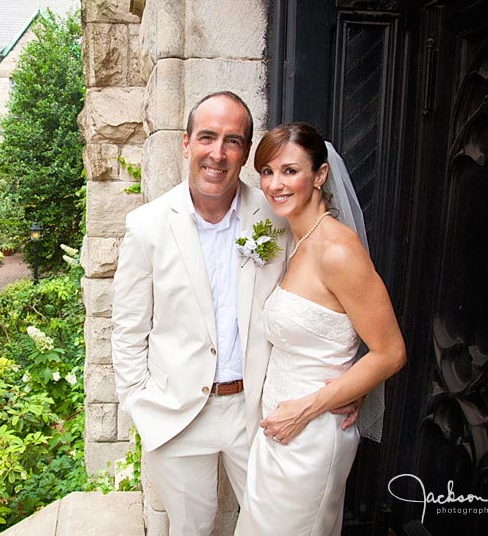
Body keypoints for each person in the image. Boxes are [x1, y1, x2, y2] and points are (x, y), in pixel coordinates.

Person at [112, 92, 356, 535]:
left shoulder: (278, 214)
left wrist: (343, 383)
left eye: (233, 141)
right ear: (186, 144)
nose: (217, 153)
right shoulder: (146, 227)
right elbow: (128, 328)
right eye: (207, 137)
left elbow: (326, 301)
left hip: (259, 411)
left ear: (245, 153)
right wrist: (139, 405)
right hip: (176, 417)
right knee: (192, 529)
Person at [235, 123, 406, 536]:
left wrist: (309, 407)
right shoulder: (296, 241)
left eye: (290, 171)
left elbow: (390, 351)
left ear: (321, 175)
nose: (275, 184)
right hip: (278, 428)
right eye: (268, 172)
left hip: (309, 437)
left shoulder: (337, 250)